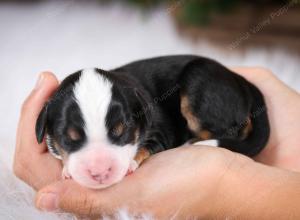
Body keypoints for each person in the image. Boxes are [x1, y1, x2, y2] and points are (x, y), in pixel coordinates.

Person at [14, 67, 300, 219]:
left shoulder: (138, 106)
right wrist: (65, 160)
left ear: (139, 119)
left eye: (120, 135)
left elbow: (158, 135)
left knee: (198, 85)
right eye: (72, 142)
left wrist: (223, 183)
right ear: (45, 129)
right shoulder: (111, 103)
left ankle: (225, 137)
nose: (99, 168)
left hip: (204, 78)